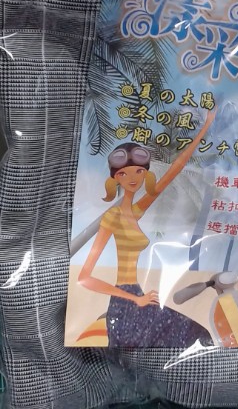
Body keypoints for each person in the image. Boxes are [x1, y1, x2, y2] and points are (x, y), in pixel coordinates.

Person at [78, 109, 215, 348]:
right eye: (124, 173)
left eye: (139, 171)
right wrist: (134, 299)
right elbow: (85, 277)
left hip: (137, 295)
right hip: (126, 303)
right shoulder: (112, 217)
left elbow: (175, 169)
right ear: (116, 178)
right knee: (195, 335)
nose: (132, 178)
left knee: (199, 335)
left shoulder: (136, 210)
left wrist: (205, 127)